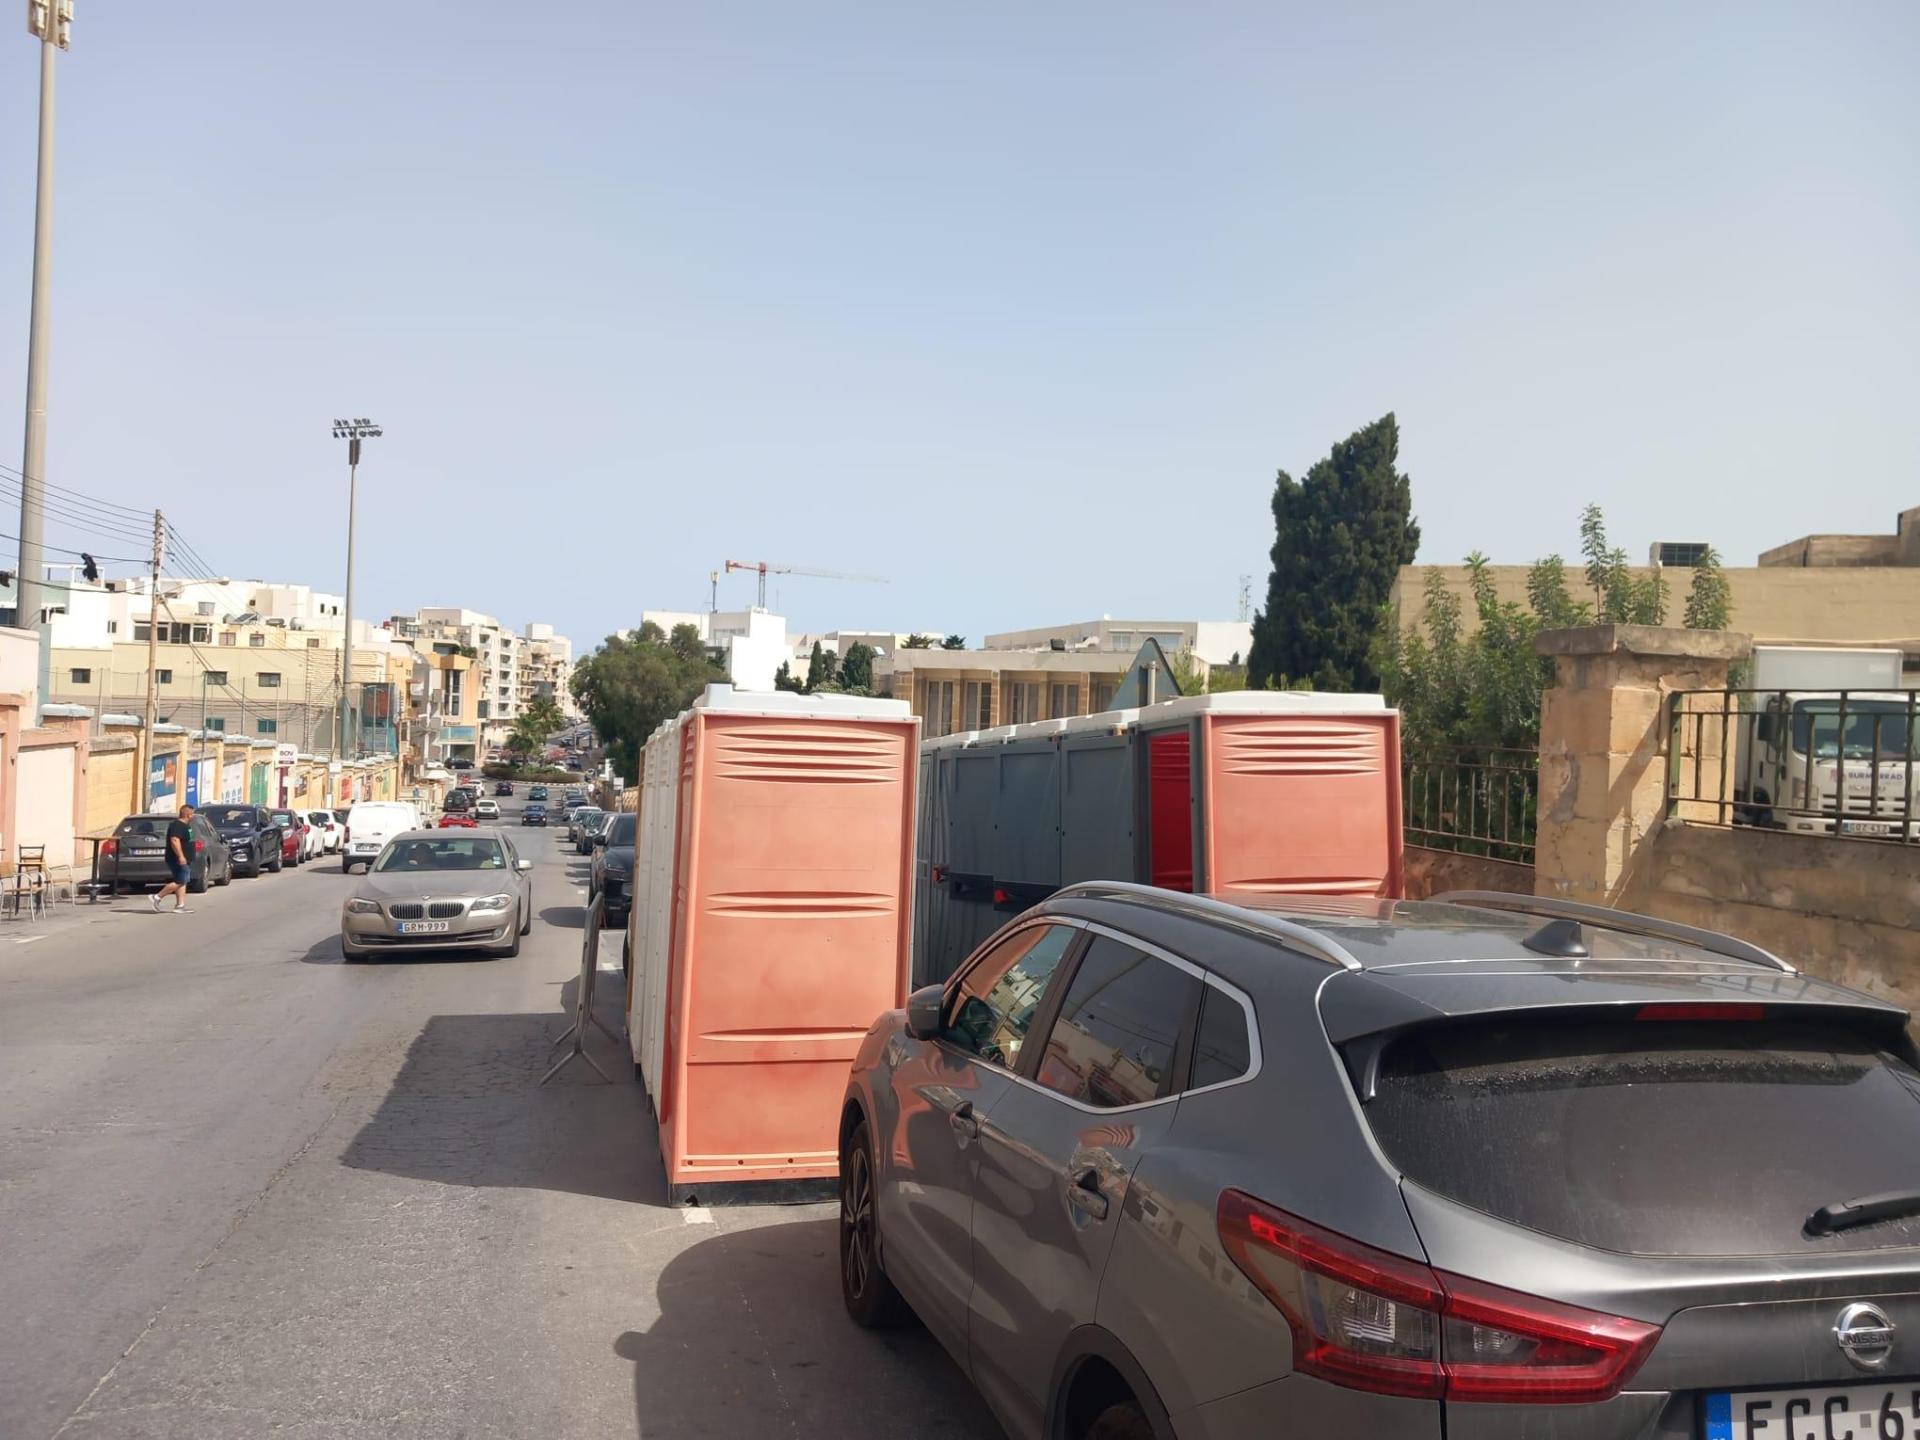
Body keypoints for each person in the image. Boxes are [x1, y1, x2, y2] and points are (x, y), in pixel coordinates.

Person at [153, 802, 197, 914]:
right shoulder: (177, 825)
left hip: (185, 858)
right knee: (180, 880)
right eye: (193, 814)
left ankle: (180, 905)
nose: (194, 816)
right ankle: (157, 897)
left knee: (183, 881)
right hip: (177, 859)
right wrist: (181, 856)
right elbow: (174, 840)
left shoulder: (186, 825)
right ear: (188, 815)